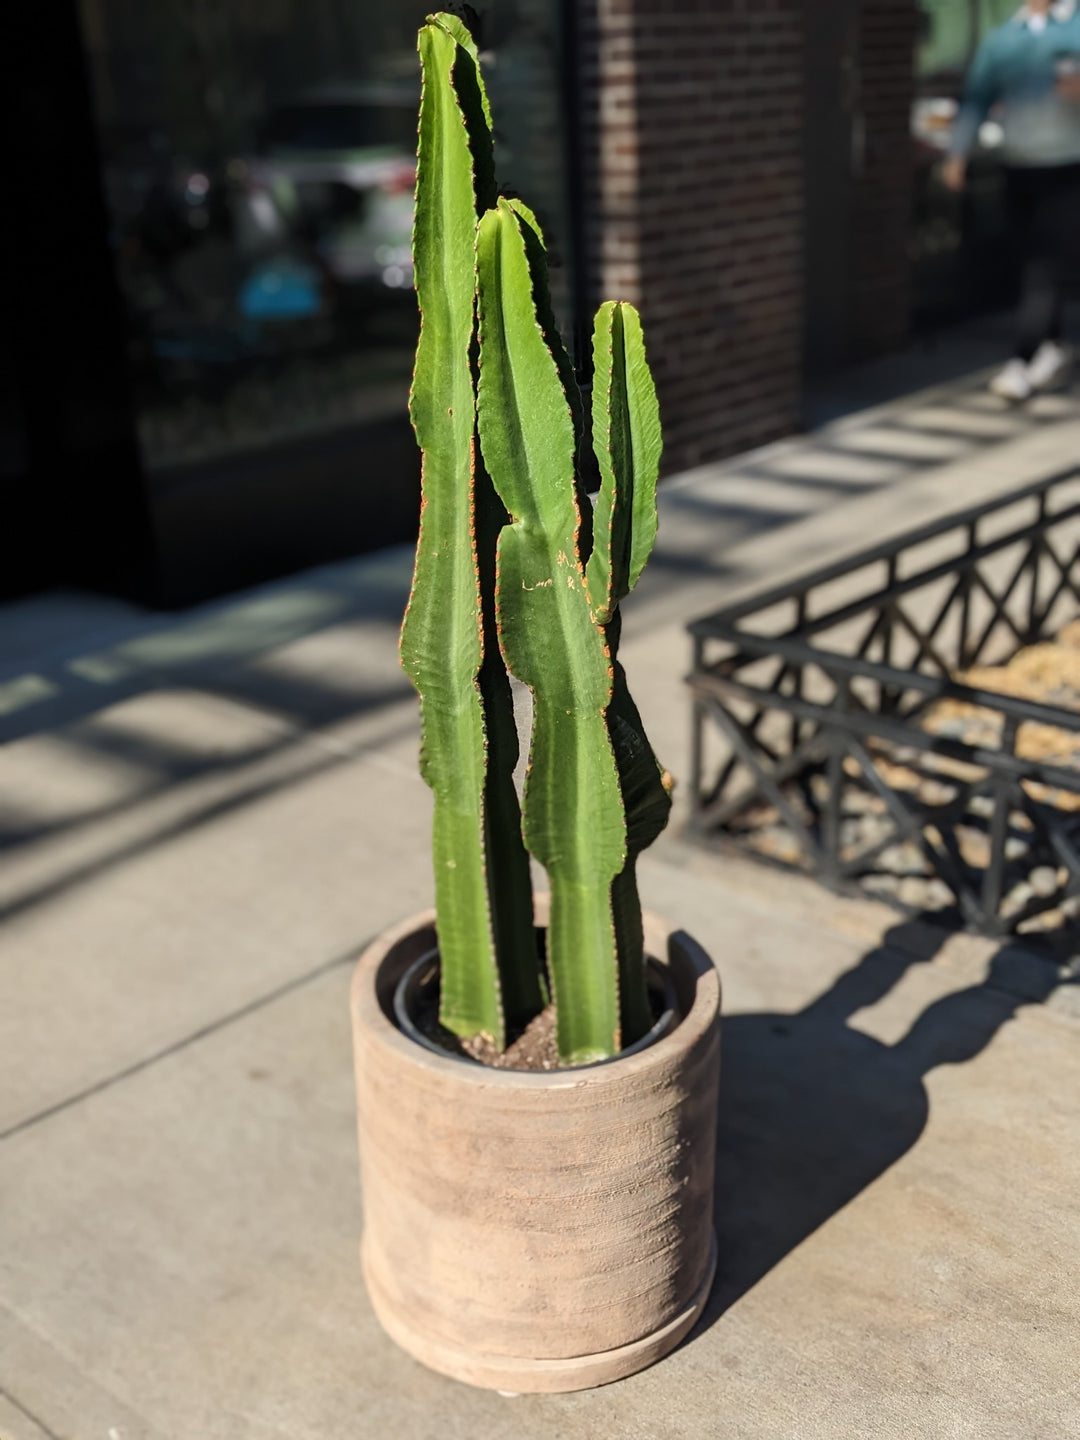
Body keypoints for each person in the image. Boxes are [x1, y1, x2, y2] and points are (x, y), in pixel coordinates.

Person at [943, 0, 1080, 401]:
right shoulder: (1004, 39)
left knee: (1046, 264)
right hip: (1020, 165)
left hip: (1071, 165)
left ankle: (1023, 359)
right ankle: (1052, 347)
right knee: (1035, 259)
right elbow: (977, 97)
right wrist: (957, 153)